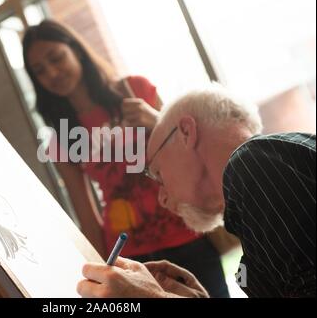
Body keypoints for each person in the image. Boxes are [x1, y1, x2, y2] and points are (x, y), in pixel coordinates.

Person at [22, 20, 230, 297]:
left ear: (77, 51)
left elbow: (190, 152)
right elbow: (86, 212)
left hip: (185, 232)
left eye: (56, 58)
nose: (52, 72)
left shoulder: (135, 90)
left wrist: (155, 120)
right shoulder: (61, 137)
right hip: (131, 256)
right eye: (40, 71)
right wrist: (97, 269)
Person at [77, 84, 316, 298]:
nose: (162, 198)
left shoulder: (253, 162)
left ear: (186, 132)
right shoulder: (262, 187)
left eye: (158, 173)